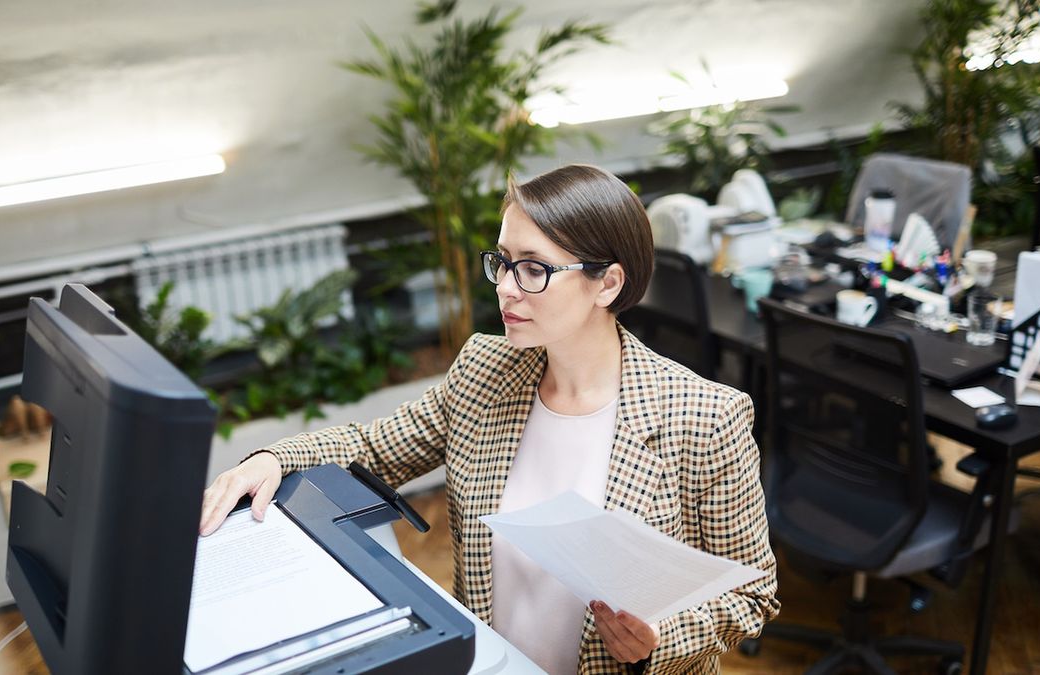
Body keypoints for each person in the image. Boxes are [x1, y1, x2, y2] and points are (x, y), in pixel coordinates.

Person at [199, 164, 780, 674]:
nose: (506, 287)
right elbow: (372, 448)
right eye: (502, 262)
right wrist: (273, 458)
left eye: (533, 269)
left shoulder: (705, 417)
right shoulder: (486, 369)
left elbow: (753, 593)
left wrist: (659, 639)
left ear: (608, 282)